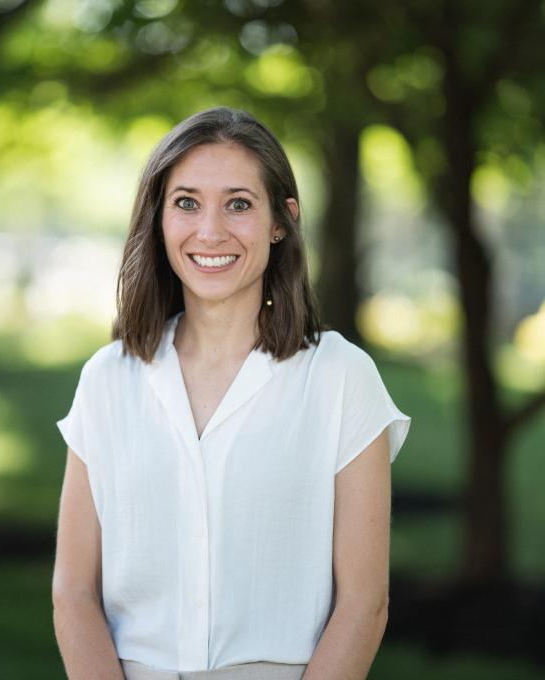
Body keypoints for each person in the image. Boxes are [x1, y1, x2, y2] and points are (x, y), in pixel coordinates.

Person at [52, 106, 412, 680]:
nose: (211, 231)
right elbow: (72, 591)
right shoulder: (106, 380)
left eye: (239, 204)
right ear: (159, 218)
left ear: (281, 220)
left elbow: (364, 605)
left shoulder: (341, 377)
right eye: (186, 203)